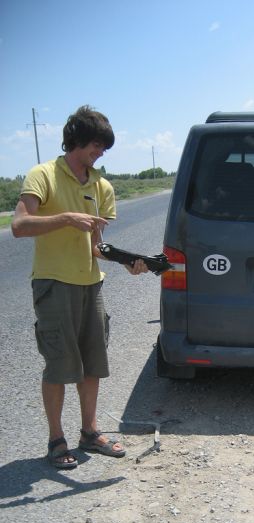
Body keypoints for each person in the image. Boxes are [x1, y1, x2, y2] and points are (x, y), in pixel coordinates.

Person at [12, 105, 148, 469]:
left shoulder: (101, 186)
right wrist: (66, 218)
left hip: (92, 285)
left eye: (104, 147)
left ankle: (89, 431)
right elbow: (20, 225)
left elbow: (96, 247)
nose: (100, 153)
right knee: (59, 365)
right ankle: (56, 439)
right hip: (54, 284)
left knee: (92, 363)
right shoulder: (43, 175)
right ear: (77, 140)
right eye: (96, 145)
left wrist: (128, 262)